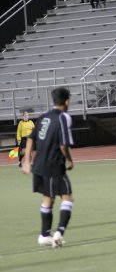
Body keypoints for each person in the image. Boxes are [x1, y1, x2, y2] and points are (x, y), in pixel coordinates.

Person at [22, 87, 74, 248]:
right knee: (67, 198)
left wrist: (26, 160)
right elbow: (63, 145)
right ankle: (58, 233)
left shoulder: (44, 117)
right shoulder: (63, 118)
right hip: (53, 165)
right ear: (67, 101)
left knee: (48, 198)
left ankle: (44, 235)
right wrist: (70, 160)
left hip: (39, 164)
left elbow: (31, 139)